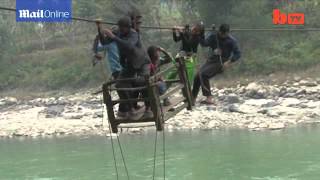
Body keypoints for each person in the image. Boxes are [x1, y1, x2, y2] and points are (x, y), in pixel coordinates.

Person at [98, 16, 151, 119]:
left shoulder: (133, 34)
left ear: (128, 27)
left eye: (122, 28)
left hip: (142, 62)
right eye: (120, 28)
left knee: (144, 83)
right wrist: (99, 29)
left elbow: (129, 46)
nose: (121, 30)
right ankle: (131, 108)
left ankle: (148, 108)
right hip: (129, 64)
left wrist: (113, 37)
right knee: (119, 84)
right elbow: (104, 42)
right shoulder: (118, 32)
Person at [192, 24, 241, 105]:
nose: (223, 35)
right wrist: (200, 34)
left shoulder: (231, 41)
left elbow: (238, 54)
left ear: (228, 33)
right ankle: (192, 99)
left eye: (225, 34)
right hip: (212, 60)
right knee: (197, 76)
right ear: (219, 31)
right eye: (221, 33)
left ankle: (209, 98)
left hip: (221, 62)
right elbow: (204, 44)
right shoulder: (213, 36)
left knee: (203, 75)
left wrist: (229, 62)